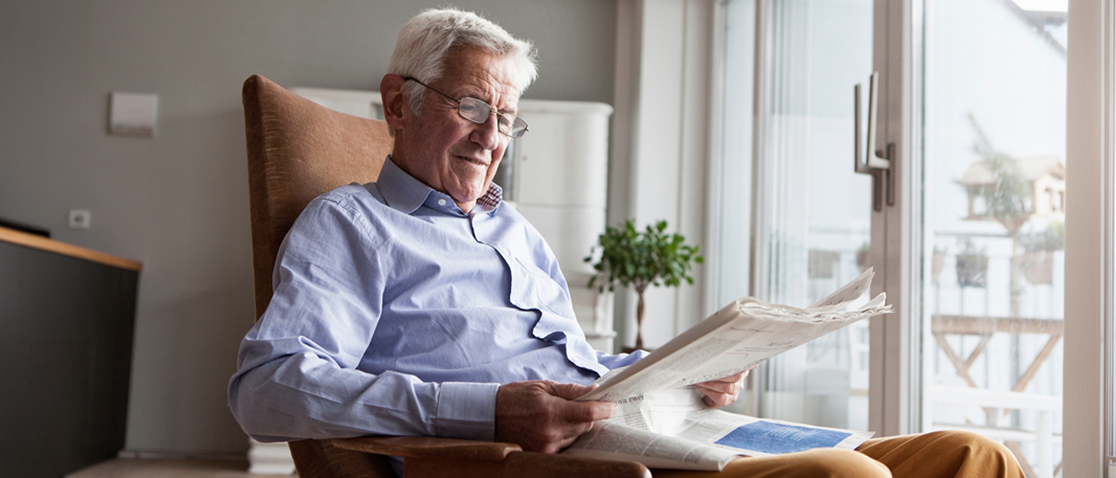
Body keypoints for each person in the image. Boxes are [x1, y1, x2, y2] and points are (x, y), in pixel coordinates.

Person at [229, 7, 1023, 478]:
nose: (492, 136)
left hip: (643, 423)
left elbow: (568, 371)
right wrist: (487, 414)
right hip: (546, 467)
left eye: (506, 119)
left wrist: (679, 371)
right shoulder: (350, 225)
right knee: (847, 475)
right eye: (473, 106)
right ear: (398, 102)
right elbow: (264, 391)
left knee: (972, 456)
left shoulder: (514, 228)